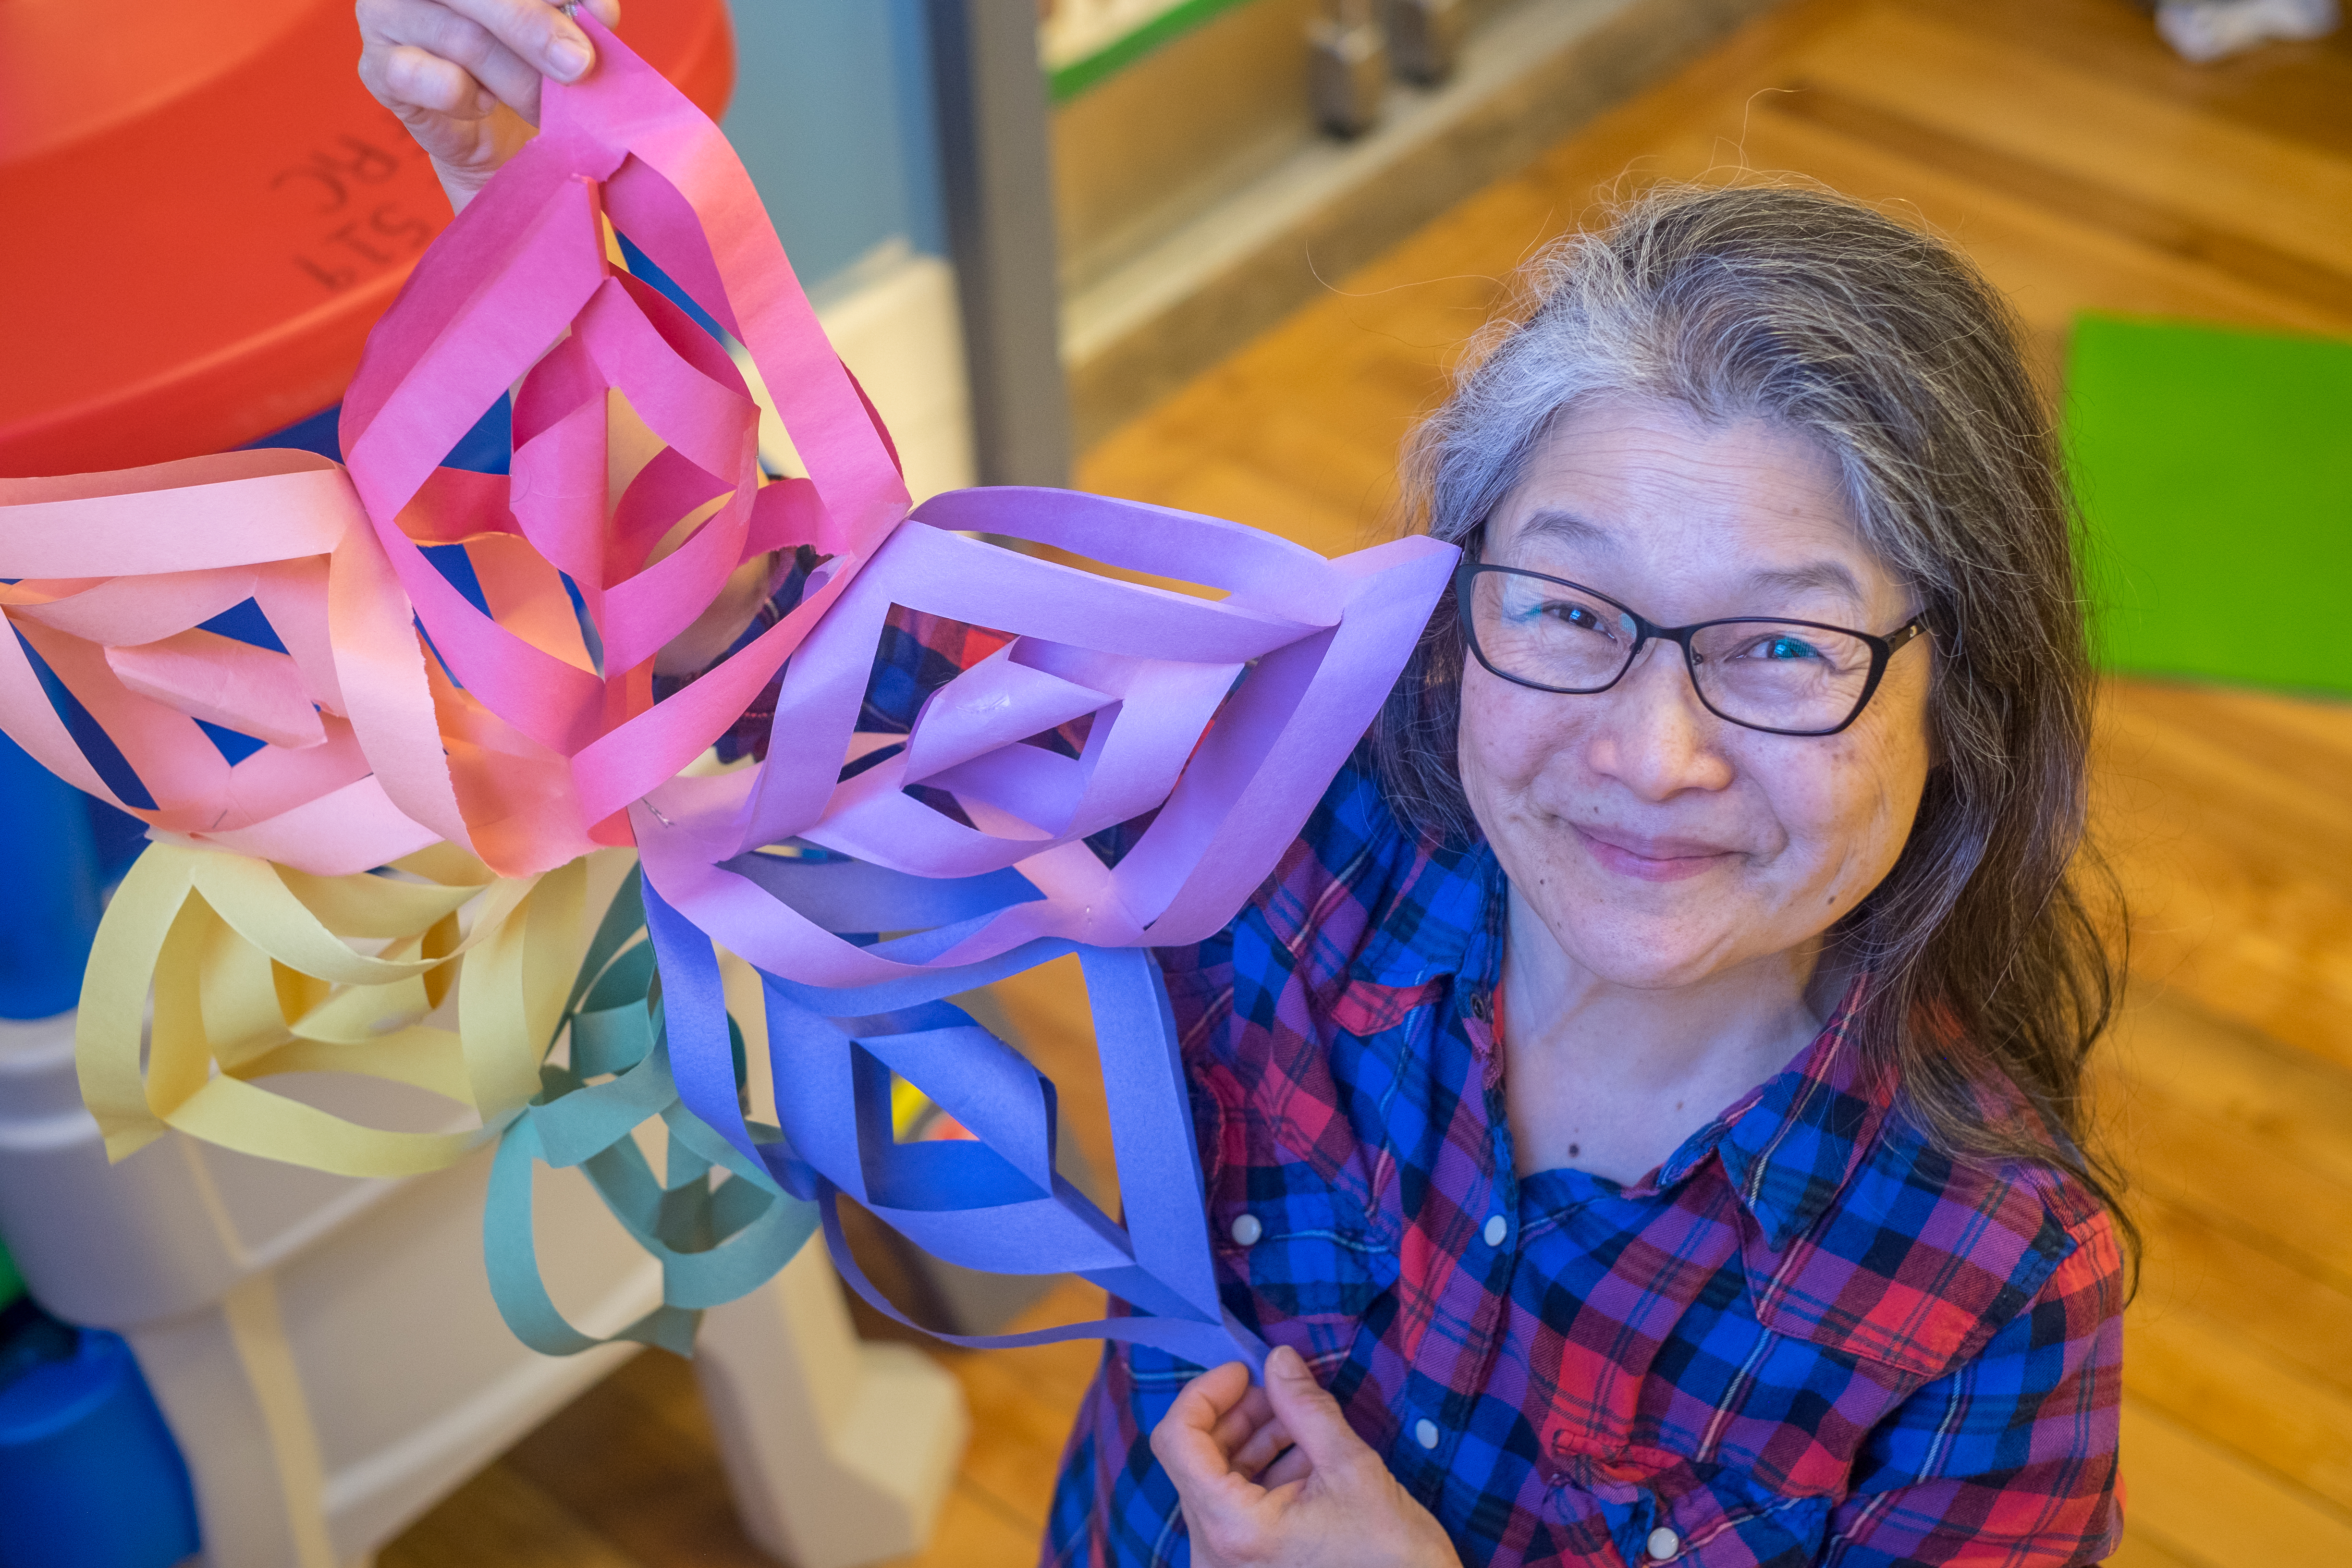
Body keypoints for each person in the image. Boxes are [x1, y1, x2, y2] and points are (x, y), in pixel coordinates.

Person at [358, 6, 2131, 1564]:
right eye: (1569, 610)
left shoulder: (1990, 1306)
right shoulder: (1294, 806)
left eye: (1784, 651)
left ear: (1961, 696)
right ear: (1446, 607)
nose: (1649, 755)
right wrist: (539, 230)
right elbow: (802, 640)